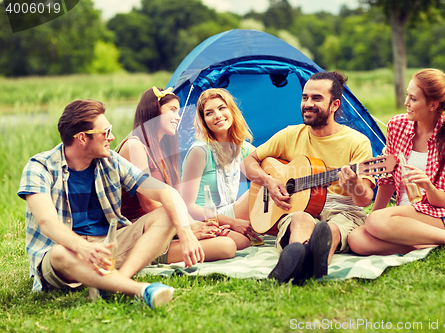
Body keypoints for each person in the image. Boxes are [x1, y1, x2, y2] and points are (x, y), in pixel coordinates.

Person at [18, 99, 204, 310]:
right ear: (82, 138)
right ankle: (139, 289)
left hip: (108, 247)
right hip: (65, 253)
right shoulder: (39, 167)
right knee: (61, 252)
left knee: (168, 213)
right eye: (105, 133)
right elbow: (47, 223)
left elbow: (164, 191)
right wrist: (82, 247)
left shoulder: (111, 160)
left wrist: (186, 232)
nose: (112, 138)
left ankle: (115, 283)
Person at [347, 68, 445, 256]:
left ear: (433, 105)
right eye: (407, 96)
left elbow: (442, 200)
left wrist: (427, 185)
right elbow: (387, 180)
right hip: (403, 216)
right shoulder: (397, 125)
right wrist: (374, 215)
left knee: (376, 222)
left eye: (413, 98)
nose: (406, 103)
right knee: (357, 240)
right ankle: (430, 243)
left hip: (442, 215)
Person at [243, 71, 376, 284]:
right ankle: (302, 260)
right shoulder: (289, 134)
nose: (307, 104)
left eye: (316, 98)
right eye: (305, 97)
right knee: (299, 220)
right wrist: (268, 180)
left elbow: (364, 200)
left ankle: (303, 262)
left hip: (343, 209)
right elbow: (248, 162)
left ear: (334, 105)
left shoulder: (357, 142)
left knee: (330, 229)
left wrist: (353, 185)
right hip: (299, 208)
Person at [117, 87, 237, 262]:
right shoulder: (134, 145)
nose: (179, 117)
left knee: (237, 240)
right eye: (172, 110)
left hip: (169, 226)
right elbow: (149, 204)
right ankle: (148, 256)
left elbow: (178, 201)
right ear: (154, 111)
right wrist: (190, 225)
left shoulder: (164, 152)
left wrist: (197, 225)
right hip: (141, 231)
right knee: (226, 246)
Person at [180, 88, 262, 250]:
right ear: (204, 121)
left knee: (267, 185)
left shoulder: (243, 148)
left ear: (232, 110)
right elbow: (187, 205)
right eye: (209, 113)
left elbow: (270, 169)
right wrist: (232, 222)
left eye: (221, 108)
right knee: (242, 240)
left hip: (228, 211)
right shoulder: (200, 151)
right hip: (203, 218)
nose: (217, 115)